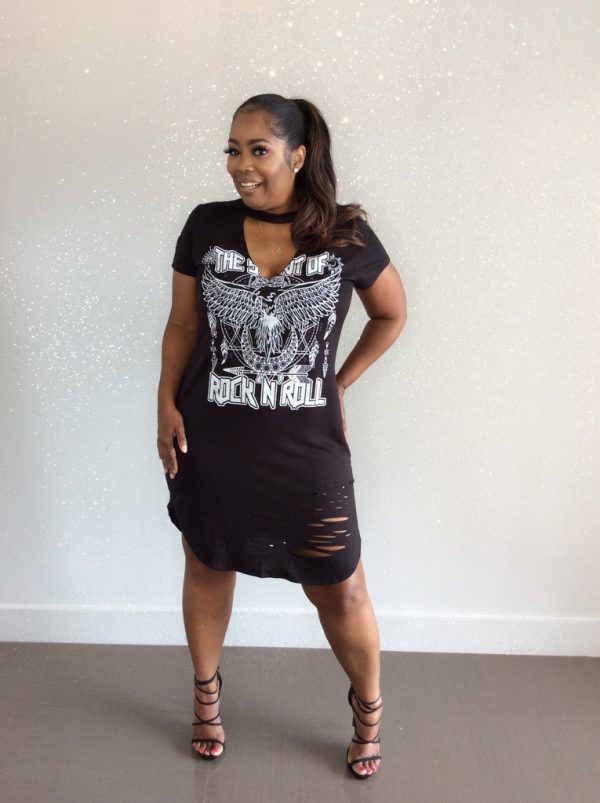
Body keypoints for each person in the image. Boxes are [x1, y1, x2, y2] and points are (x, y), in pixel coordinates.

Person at [157, 93, 407, 779]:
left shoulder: (346, 233)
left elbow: (391, 313)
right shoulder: (206, 225)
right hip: (212, 440)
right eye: (232, 150)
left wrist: (340, 382)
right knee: (207, 565)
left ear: (298, 155)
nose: (241, 165)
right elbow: (183, 324)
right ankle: (206, 699)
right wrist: (164, 404)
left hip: (306, 451)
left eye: (258, 150)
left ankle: (368, 712)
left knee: (342, 587)